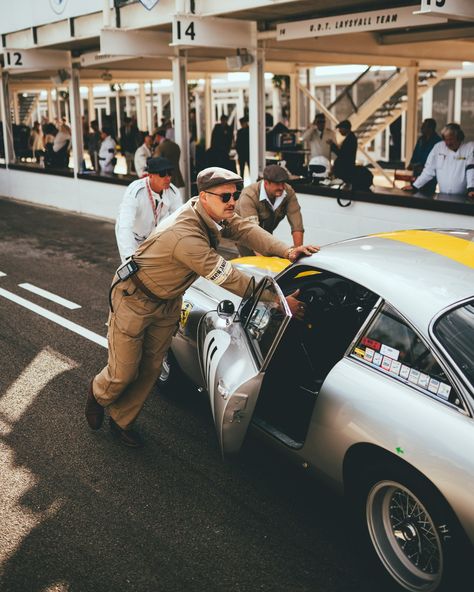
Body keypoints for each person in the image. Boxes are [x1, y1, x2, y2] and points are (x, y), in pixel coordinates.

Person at [85, 166, 319, 448]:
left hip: (168, 301)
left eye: (235, 195)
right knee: (123, 372)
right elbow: (229, 277)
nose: (232, 202)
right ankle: (99, 394)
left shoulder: (210, 212)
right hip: (134, 298)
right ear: (204, 197)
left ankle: (122, 421)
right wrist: (279, 300)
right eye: (225, 197)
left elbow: (245, 228)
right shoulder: (186, 236)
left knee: (150, 368)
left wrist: (287, 250)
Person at [115, 156, 182, 262]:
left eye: (169, 173)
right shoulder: (136, 191)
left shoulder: (173, 192)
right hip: (134, 238)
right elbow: (124, 225)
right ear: (150, 175)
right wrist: (129, 256)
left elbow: (180, 220)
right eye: (162, 174)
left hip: (154, 238)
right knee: (135, 273)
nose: (168, 178)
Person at [235, 164, 304, 256]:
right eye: (277, 184)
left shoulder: (288, 192)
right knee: (255, 265)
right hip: (246, 238)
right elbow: (252, 233)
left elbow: (297, 225)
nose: (282, 187)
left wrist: (297, 252)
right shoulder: (249, 196)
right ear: (266, 183)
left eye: (283, 183)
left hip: (266, 236)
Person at [402, 123, 474, 197]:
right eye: (446, 139)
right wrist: (415, 186)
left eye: (451, 139)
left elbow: (471, 170)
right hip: (443, 196)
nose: (448, 143)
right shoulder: (438, 147)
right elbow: (429, 170)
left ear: (459, 137)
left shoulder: (469, 148)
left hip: (463, 197)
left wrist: (471, 189)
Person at [407, 118, 442, 193]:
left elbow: (437, 159)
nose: (421, 127)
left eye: (424, 126)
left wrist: (423, 166)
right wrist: (411, 163)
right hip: (416, 171)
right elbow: (415, 152)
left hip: (429, 174)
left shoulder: (438, 142)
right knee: (413, 190)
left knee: (427, 193)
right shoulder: (421, 139)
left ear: (430, 128)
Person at [329, 120, 357, 184]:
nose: (339, 131)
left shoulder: (350, 139)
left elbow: (342, 154)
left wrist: (332, 145)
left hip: (345, 170)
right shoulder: (350, 138)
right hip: (345, 169)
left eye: (340, 129)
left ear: (345, 128)